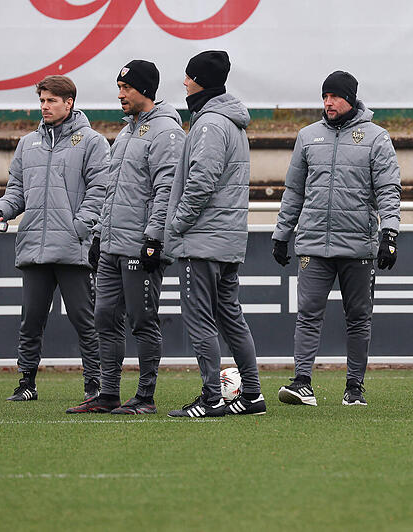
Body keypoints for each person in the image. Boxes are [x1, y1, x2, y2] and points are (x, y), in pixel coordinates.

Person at [272, 70, 402, 407]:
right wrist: (281, 233)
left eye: (335, 96)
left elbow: (388, 190)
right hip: (314, 244)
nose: (328, 103)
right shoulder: (307, 136)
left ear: (351, 98)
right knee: (308, 313)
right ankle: (302, 382)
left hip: (358, 244)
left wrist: (389, 232)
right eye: (324, 96)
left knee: (358, 317)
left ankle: (354, 387)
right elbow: (294, 191)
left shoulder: (377, 138)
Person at [66, 60, 183, 414]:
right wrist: (99, 235)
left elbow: (167, 189)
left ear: (145, 90)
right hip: (113, 245)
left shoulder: (166, 131)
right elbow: (111, 191)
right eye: (118, 88)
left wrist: (153, 239)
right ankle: (109, 394)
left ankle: (145, 397)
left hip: (140, 246)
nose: (120, 95)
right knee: (104, 317)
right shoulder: (128, 131)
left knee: (142, 320)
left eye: (126, 88)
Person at [0, 75, 109, 402]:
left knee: (85, 322)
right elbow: (17, 191)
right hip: (34, 249)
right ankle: (26, 383)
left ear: (69, 103)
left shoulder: (93, 142)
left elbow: (100, 191)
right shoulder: (28, 144)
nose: (45, 106)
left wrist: (79, 227)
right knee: (31, 322)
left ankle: (94, 386)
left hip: (73, 248)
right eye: (42, 100)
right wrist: (2, 210)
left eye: (51, 100)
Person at [165, 50, 265, 418]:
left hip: (202, 240)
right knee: (230, 317)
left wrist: (177, 224)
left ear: (201, 81)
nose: (184, 83)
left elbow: (201, 182)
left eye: (189, 76)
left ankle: (212, 398)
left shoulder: (209, 123)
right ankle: (252, 395)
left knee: (201, 319)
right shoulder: (231, 121)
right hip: (225, 238)